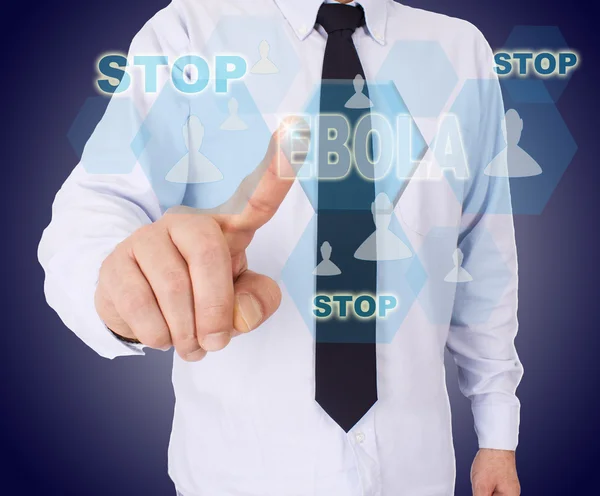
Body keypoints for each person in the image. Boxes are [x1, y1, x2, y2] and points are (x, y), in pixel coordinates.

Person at [38, 0, 523, 495]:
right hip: (239, 473)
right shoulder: (188, 32)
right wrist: (119, 288)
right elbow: (99, 203)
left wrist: (498, 434)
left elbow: (482, 255)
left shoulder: (462, 50)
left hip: (415, 470)